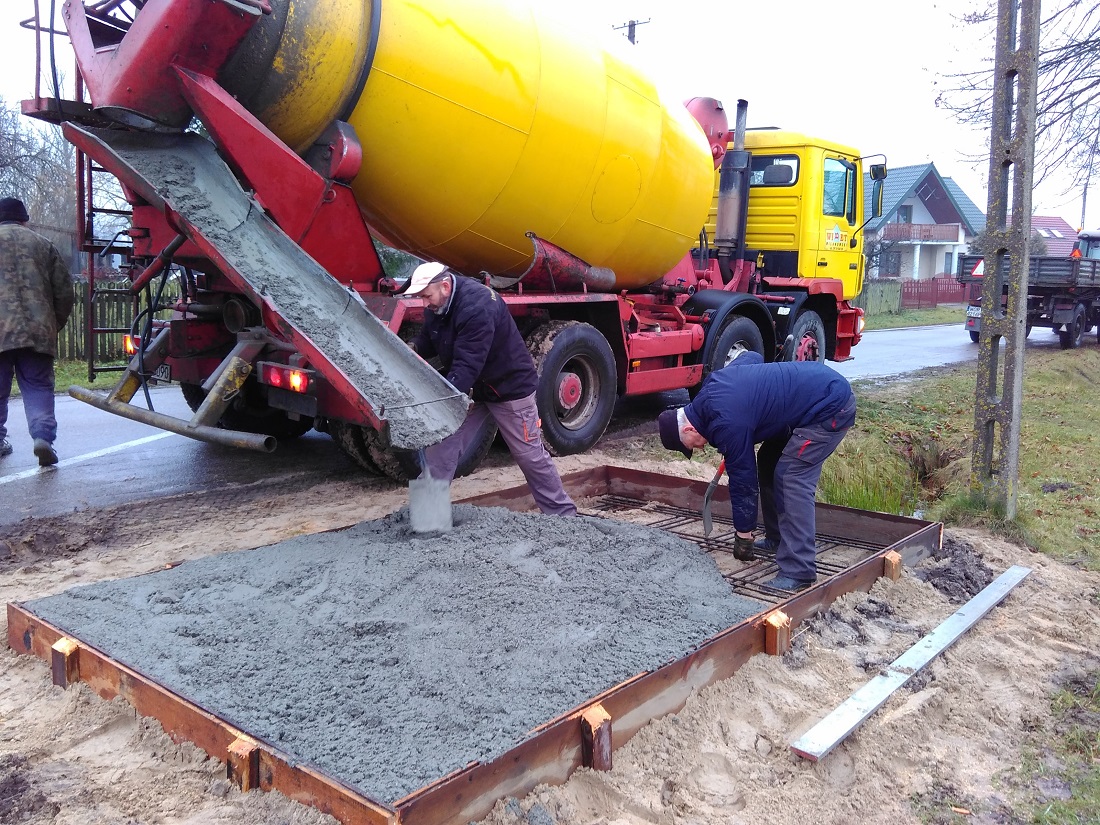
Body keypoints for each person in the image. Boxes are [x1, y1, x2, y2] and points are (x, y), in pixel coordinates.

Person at [657, 350, 856, 591]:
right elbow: (751, 357)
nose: (698, 448)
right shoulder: (712, 389)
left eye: (691, 446)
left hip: (830, 407)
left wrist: (743, 534)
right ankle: (777, 539)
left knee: (791, 477)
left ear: (688, 430)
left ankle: (799, 570)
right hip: (807, 401)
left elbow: (743, 482)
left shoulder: (725, 422)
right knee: (768, 461)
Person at [404, 261, 576, 516]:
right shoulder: (437, 305)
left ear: (445, 286)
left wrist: (443, 403)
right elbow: (432, 337)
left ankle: (563, 515)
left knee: (528, 455)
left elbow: (467, 364)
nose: (424, 303)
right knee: (441, 448)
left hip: (509, 387)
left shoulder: (478, 306)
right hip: (475, 387)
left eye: (426, 296)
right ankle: (425, 517)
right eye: (421, 297)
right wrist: (414, 347)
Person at [0, 197, 74, 466]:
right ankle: (43, 438)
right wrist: (53, 325)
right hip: (37, 331)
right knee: (38, 386)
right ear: (24, 220)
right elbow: (64, 293)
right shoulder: (43, 245)